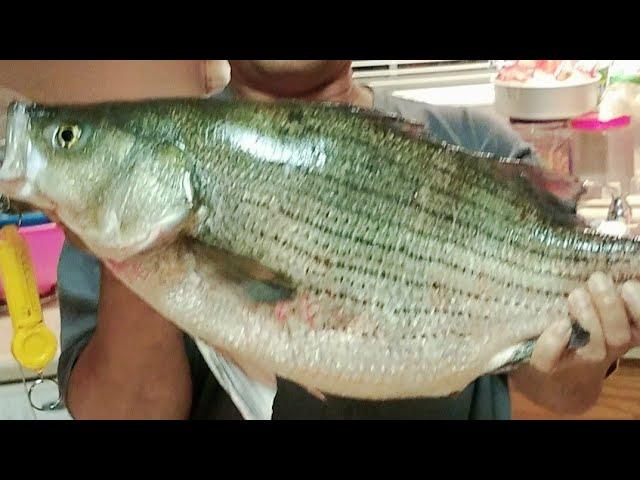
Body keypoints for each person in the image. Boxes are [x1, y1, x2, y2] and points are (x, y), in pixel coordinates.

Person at [3, 60, 638, 419]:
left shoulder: (476, 148)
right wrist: (149, 245)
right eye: (70, 139)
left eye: (69, 140)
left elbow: (560, 393)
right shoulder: (109, 214)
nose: (64, 146)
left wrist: (586, 349)